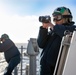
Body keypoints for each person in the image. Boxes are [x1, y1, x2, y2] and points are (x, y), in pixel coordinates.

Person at [37, 6, 76, 75]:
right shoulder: (54, 31)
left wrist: (53, 27)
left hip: (57, 70)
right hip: (44, 69)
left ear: (66, 18)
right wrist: (44, 29)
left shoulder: (72, 29)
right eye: (54, 18)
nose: (55, 20)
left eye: (57, 18)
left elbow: (65, 32)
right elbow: (41, 44)